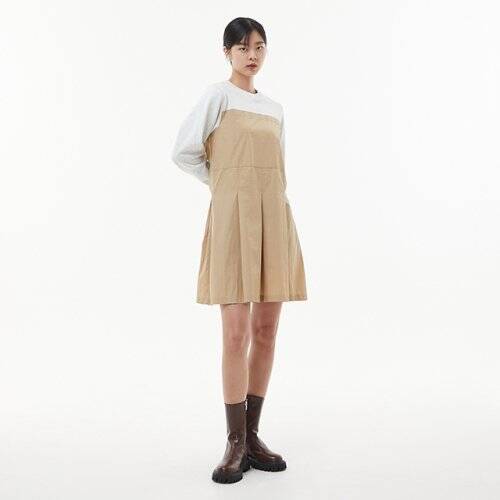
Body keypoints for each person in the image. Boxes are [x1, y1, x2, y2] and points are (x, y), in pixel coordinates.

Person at [171, 17, 308, 484]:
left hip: (274, 219)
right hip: (233, 220)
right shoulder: (217, 96)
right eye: (244, 47)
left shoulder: (275, 109)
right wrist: (224, 185)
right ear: (227, 51)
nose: (253, 55)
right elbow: (183, 152)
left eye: (260, 47)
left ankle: (252, 436)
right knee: (235, 334)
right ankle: (233, 442)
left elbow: (279, 168)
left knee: (266, 331)